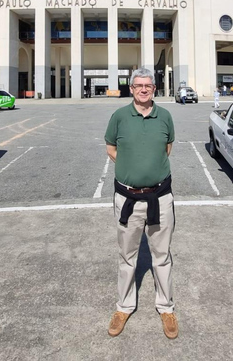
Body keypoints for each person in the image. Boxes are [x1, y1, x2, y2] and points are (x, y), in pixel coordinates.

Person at [105, 68, 178, 340]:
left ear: (154, 89)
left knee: (162, 256)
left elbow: (167, 147)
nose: (144, 89)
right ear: (131, 88)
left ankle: (166, 307)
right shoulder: (120, 117)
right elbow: (110, 148)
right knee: (127, 256)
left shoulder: (165, 116)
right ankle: (124, 306)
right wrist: (129, 168)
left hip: (160, 197)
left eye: (148, 85)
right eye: (139, 85)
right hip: (128, 199)